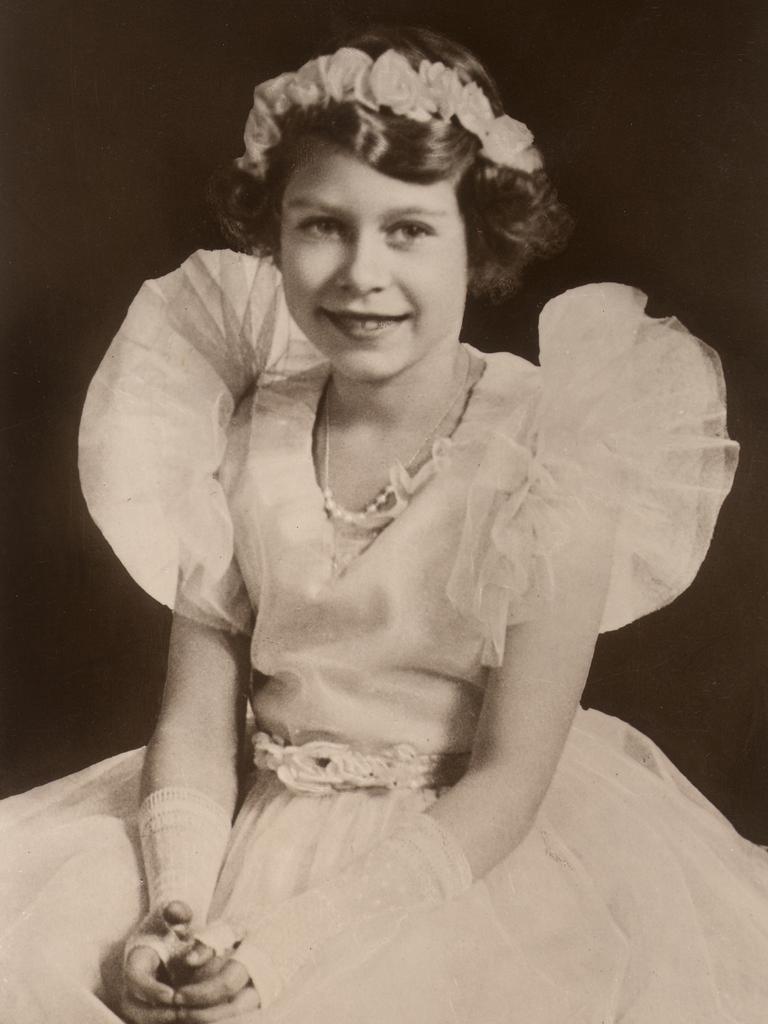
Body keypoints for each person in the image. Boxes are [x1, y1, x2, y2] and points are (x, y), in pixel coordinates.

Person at [1, 23, 766, 1024]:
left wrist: (284, 947)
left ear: (478, 240)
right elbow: (194, 726)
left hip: (464, 852)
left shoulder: (555, 451)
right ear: (274, 235)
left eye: (409, 230)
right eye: (322, 224)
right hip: (250, 819)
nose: (361, 272)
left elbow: (507, 781)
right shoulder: (237, 425)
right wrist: (176, 903)